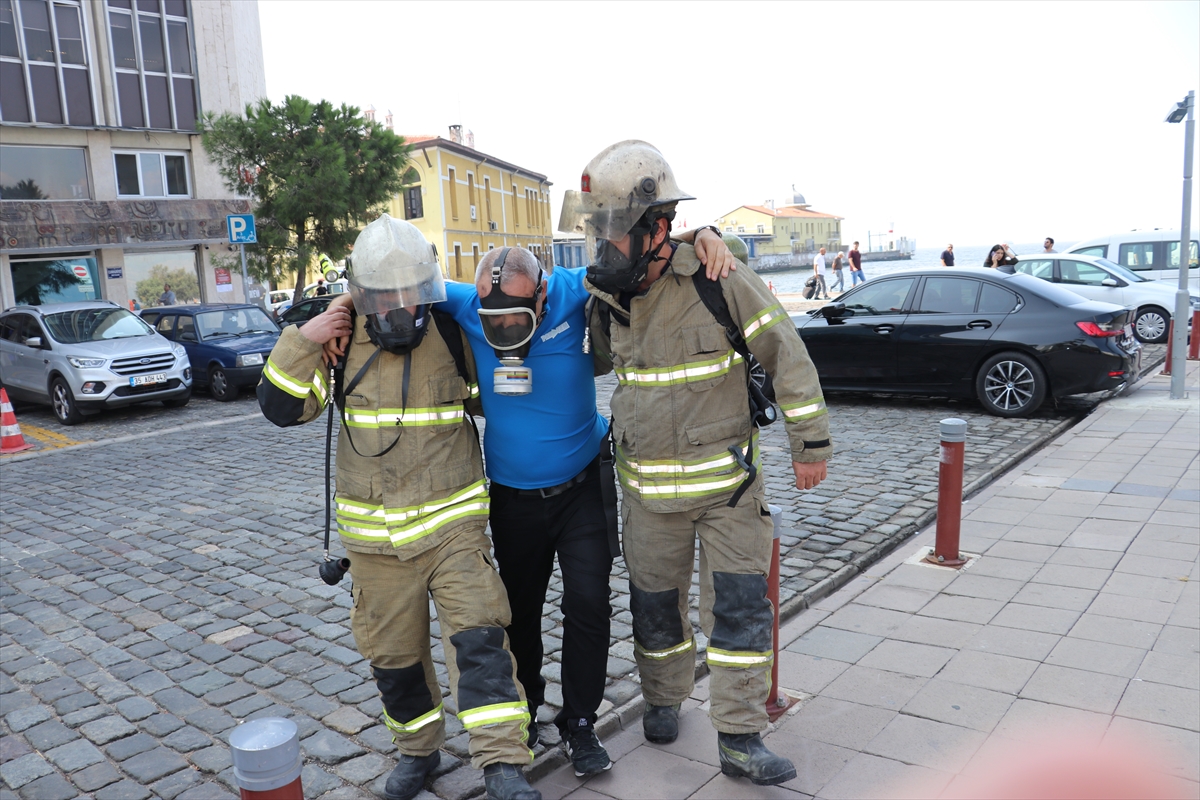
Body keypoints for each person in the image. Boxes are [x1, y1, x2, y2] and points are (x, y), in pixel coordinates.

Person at [325, 232, 736, 779]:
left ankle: (581, 723)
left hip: (583, 485)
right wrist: (340, 302)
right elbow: (393, 285)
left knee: (588, 605)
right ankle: (524, 712)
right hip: (513, 496)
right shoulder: (463, 302)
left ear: (542, 296)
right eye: (493, 321)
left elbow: (642, 245)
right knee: (516, 611)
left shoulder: (573, 289)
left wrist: (703, 236)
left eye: (517, 319)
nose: (504, 331)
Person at [562, 140, 832, 787]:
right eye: (599, 232)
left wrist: (810, 444)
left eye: (615, 232)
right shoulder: (606, 296)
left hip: (728, 493)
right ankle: (663, 698)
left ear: (657, 228)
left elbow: (785, 352)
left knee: (738, 612)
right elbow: (594, 360)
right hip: (648, 499)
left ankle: (739, 735)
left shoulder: (718, 278)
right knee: (656, 612)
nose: (605, 246)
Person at [258, 215, 540, 800]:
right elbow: (284, 409)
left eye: (413, 293)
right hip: (374, 545)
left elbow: (510, 362)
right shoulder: (337, 341)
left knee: (480, 642)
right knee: (393, 657)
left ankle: (503, 763)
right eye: (386, 296)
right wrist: (305, 338)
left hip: (454, 532)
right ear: (363, 293)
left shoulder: (450, 328)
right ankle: (418, 751)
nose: (402, 307)